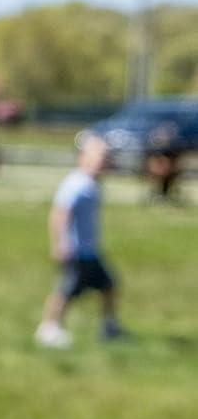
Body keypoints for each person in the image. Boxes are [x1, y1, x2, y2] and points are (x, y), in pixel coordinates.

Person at [35, 135, 125, 347]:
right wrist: (61, 243)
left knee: (109, 285)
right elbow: (60, 213)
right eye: (98, 159)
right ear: (82, 158)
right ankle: (49, 328)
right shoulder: (77, 184)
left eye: (105, 159)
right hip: (76, 250)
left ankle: (109, 326)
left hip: (90, 250)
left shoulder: (92, 184)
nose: (102, 163)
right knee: (65, 290)